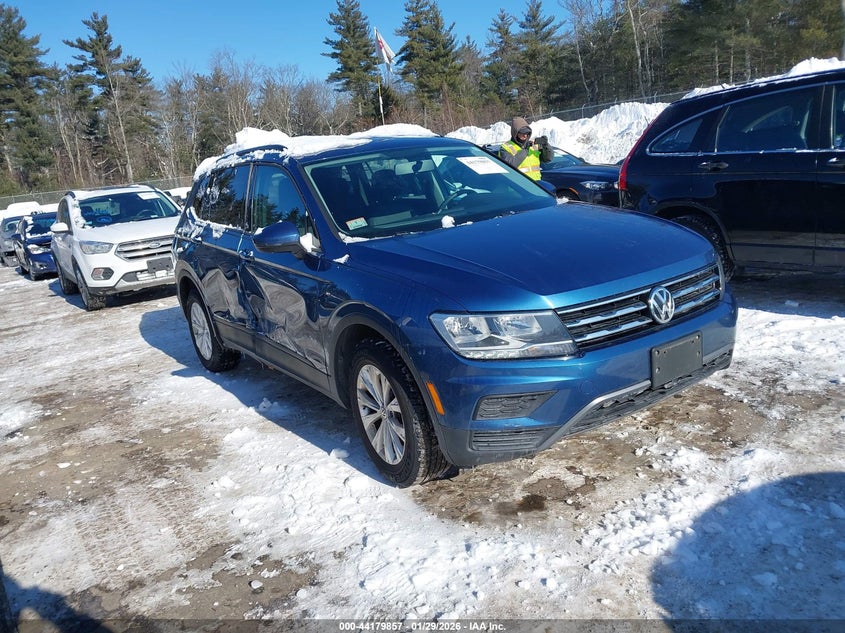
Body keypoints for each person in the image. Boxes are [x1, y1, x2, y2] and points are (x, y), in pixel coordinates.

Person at [498, 116, 553, 181]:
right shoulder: (505, 147)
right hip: (518, 187)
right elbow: (509, 166)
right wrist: (525, 150)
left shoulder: (533, 145)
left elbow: (548, 159)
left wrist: (546, 145)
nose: (525, 135)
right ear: (515, 133)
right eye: (522, 133)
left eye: (527, 133)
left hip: (537, 184)